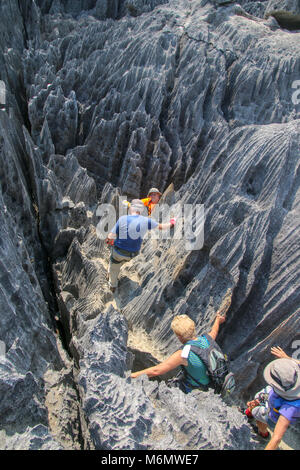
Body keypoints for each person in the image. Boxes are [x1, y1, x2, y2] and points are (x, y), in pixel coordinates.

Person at [131, 312, 227, 393]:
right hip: (213, 384)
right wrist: (218, 320)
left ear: (179, 337)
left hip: (196, 389)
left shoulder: (183, 354)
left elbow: (157, 370)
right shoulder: (206, 340)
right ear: (193, 328)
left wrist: (132, 375)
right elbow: (214, 331)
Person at [106, 199, 175, 292]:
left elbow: (110, 237)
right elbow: (162, 227)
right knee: (121, 259)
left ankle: (112, 285)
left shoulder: (123, 219)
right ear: (141, 210)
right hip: (133, 254)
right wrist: (172, 223)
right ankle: (119, 264)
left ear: (131, 208)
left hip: (119, 252)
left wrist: (110, 241)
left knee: (113, 264)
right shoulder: (146, 221)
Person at [243, 346, 300, 450]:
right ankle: (250, 411)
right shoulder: (293, 377)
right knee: (257, 398)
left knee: (257, 412)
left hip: (274, 412)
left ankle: (263, 433)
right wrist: (287, 358)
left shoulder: (290, 409)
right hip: (276, 396)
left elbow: (276, 439)